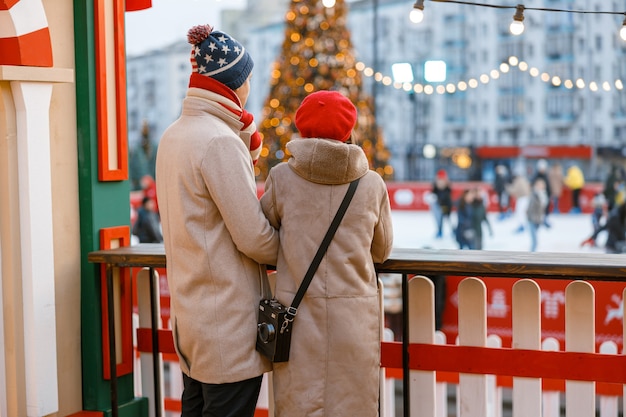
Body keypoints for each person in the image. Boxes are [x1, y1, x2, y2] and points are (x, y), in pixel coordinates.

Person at [155, 24, 278, 417]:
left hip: (193, 316)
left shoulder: (175, 135)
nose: (249, 89)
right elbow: (253, 236)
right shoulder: (218, 141)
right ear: (232, 84)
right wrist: (292, 248)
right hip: (227, 321)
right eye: (247, 80)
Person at [260, 90, 394, 417]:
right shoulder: (372, 184)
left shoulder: (281, 178)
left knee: (298, 405)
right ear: (349, 131)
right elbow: (382, 249)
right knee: (354, 405)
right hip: (354, 318)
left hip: (297, 316)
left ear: (302, 130)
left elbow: (264, 233)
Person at [527, 177, 549, 252]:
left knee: (535, 241)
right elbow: (531, 208)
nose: (542, 186)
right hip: (532, 219)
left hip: (537, 219)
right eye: (540, 185)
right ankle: (531, 257)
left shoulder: (542, 194)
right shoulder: (535, 194)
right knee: (535, 241)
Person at [507, 167, 531, 234]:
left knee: (520, 213)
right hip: (526, 198)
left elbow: (514, 190)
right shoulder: (524, 179)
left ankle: (522, 226)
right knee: (522, 213)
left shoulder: (518, 181)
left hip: (522, 198)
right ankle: (523, 225)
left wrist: (507, 188)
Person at [430, 169, 453, 238]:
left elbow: (447, 198)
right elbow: (433, 195)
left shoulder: (447, 188)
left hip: (445, 206)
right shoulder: (435, 187)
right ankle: (440, 231)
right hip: (438, 206)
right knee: (439, 220)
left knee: (447, 219)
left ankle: (452, 231)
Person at [531, 159, 551, 227]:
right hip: (537, 195)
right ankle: (537, 221)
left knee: (545, 208)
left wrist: (549, 193)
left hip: (544, 194)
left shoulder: (546, 176)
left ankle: (544, 220)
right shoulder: (536, 176)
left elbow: (548, 186)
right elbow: (533, 185)